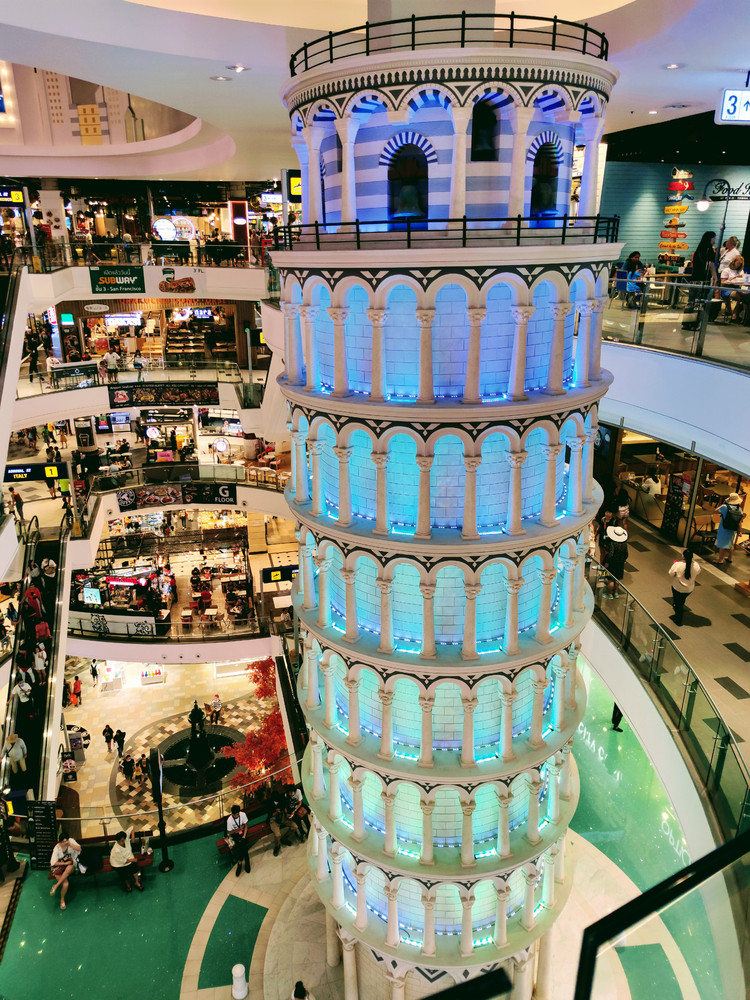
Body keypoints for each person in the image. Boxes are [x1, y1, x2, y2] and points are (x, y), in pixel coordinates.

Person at [50, 835, 84, 909]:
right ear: (59, 841)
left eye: (66, 841)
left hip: (70, 865)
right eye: (63, 842)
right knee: (65, 884)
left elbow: (79, 848)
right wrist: (64, 863)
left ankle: (57, 887)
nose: (64, 843)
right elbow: (53, 863)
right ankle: (62, 900)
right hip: (59, 867)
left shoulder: (70, 841)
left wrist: (70, 844)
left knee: (70, 865)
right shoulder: (57, 848)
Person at [668, 549, 701, 627]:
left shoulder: (678, 564)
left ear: (683, 556)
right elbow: (698, 572)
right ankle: (679, 604)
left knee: (677, 602)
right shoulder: (696, 565)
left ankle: (678, 619)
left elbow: (671, 574)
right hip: (689, 589)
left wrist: (675, 566)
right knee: (681, 600)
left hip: (677, 588)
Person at [713, 491, 744, 565]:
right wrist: (740, 531)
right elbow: (739, 522)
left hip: (724, 528)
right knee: (730, 543)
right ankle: (730, 558)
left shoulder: (725, 507)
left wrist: (724, 503)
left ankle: (720, 560)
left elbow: (716, 511)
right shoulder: (739, 509)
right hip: (732, 529)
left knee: (722, 544)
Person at [600, 525, 629, 598]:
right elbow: (626, 553)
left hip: (612, 563)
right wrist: (624, 560)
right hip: (620, 563)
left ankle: (609, 594)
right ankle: (616, 593)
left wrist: (607, 562)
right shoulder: (624, 543)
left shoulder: (612, 543)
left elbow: (610, 554)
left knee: (611, 579)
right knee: (617, 579)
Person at [226, 804, 252, 876]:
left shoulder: (243, 814)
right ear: (232, 814)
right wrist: (238, 829)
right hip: (235, 834)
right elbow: (230, 832)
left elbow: (246, 826)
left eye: (238, 814)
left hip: (243, 833)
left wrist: (244, 836)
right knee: (242, 847)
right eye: (235, 815)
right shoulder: (229, 820)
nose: (237, 816)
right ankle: (247, 861)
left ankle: (240, 863)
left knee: (241, 846)